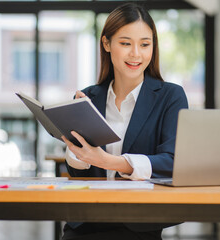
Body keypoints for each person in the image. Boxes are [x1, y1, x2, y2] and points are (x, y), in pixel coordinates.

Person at [61, 3, 188, 240]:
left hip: (140, 224)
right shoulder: (88, 98)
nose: (136, 54)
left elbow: (173, 162)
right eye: (126, 43)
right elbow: (78, 175)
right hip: (86, 224)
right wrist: (77, 151)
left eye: (145, 44)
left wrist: (112, 162)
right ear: (107, 44)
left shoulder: (171, 96)